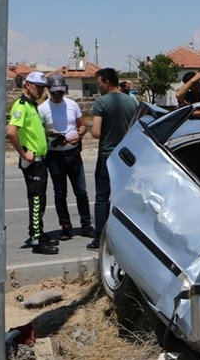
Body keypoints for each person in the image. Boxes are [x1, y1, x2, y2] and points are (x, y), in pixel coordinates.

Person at [6, 71, 58, 255]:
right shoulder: (21, 106)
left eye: (43, 87)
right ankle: (36, 241)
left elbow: (31, 132)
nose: (42, 90)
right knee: (36, 200)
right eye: (39, 86)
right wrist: (23, 153)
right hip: (33, 161)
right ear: (28, 85)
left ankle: (38, 232)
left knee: (40, 199)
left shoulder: (32, 105)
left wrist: (48, 136)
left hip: (40, 160)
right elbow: (11, 132)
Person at [87, 67, 138, 250]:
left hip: (107, 156)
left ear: (107, 82)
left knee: (102, 197)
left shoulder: (101, 103)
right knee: (123, 197)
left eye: (99, 83)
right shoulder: (132, 102)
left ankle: (99, 238)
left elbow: (96, 133)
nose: (98, 86)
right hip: (126, 157)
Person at [39, 75, 93, 241]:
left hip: (73, 153)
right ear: (49, 91)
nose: (58, 96)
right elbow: (38, 132)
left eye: (61, 92)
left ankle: (86, 224)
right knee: (60, 193)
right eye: (55, 93)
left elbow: (82, 125)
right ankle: (65, 226)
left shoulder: (72, 105)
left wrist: (78, 135)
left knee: (81, 191)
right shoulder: (42, 109)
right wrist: (51, 136)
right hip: (54, 155)